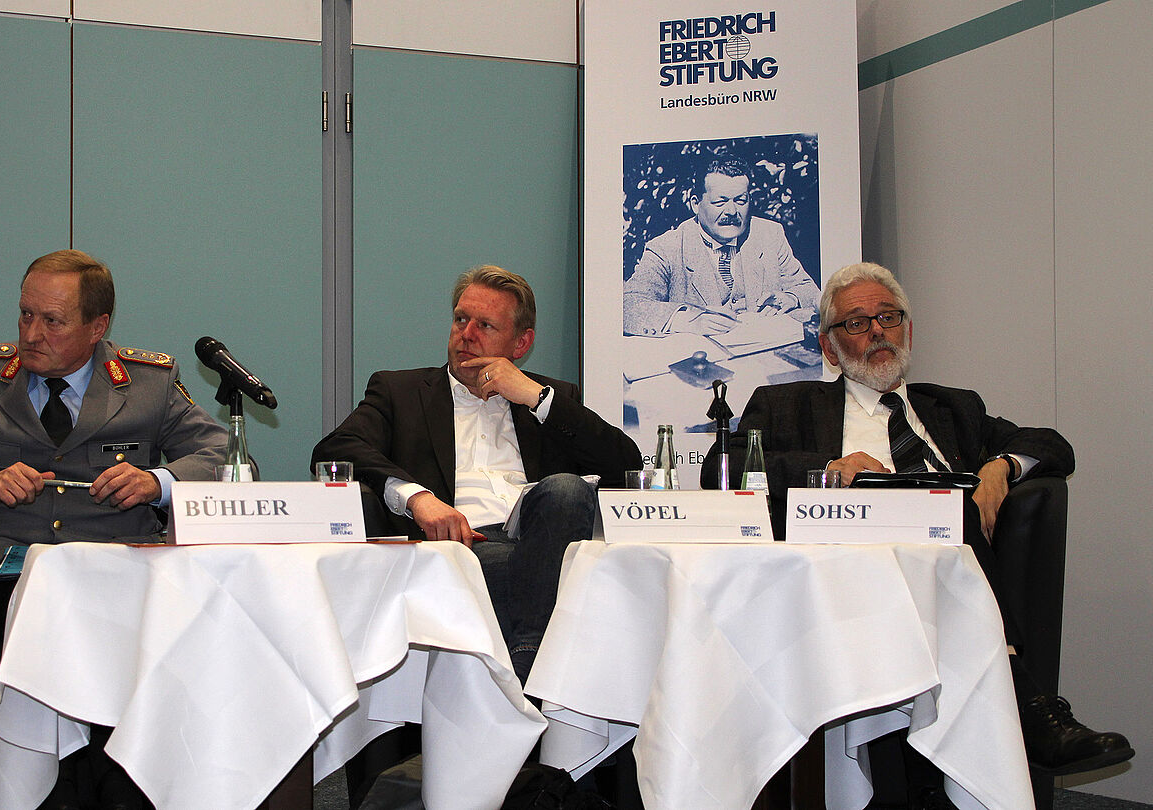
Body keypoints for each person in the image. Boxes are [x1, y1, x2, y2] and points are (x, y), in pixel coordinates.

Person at [716, 261, 1134, 783]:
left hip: (947, 572)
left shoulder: (953, 409)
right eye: (857, 322)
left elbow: (1053, 445)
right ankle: (1029, 708)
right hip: (841, 573)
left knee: (948, 504)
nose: (877, 331)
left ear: (907, 332)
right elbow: (722, 466)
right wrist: (828, 469)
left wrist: (1000, 468)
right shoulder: (787, 404)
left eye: (888, 317)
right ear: (829, 348)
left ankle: (989, 727)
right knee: (948, 506)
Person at [0, 248, 229, 810]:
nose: (31, 334)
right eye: (25, 315)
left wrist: (156, 482)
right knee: (62, 630)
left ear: (97, 327)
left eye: (53, 321)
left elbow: (223, 457)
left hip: (116, 571)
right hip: (8, 575)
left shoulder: (149, 382)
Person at [314, 264, 640, 680]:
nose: (466, 335)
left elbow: (625, 465)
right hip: (465, 547)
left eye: (485, 325)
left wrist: (536, 398)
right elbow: (335, 449)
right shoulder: (401, 392)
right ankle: (536, 669)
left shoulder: (551, 398)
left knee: (565, 491)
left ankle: (524, 662)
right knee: (542, 573)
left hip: (542, 537)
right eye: (460, 319)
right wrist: (417, 498)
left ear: (521, 343)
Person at [624, 154, 819, 337]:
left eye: (741, 201)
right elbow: (628, 306)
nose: (732, 211)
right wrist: (685, 321)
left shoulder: (769, 234)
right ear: (695, 204)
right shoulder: (667, 248)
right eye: (720, 202)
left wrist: (791, 297)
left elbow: (808, 289)